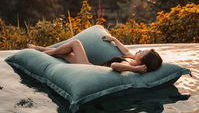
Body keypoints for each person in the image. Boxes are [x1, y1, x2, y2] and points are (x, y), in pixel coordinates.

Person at [27, 34, 163, 74]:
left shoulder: (129, 64)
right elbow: (126, 51)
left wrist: (135, 69)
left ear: (143, 61)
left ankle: (40, 51)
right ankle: (40, 50)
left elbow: (115, 65)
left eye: (142, 52)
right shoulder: (132, 58)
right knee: (64, 55)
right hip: (91, 66)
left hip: (89, 69)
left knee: (75, 43)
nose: (139, 51)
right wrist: (114, 40)